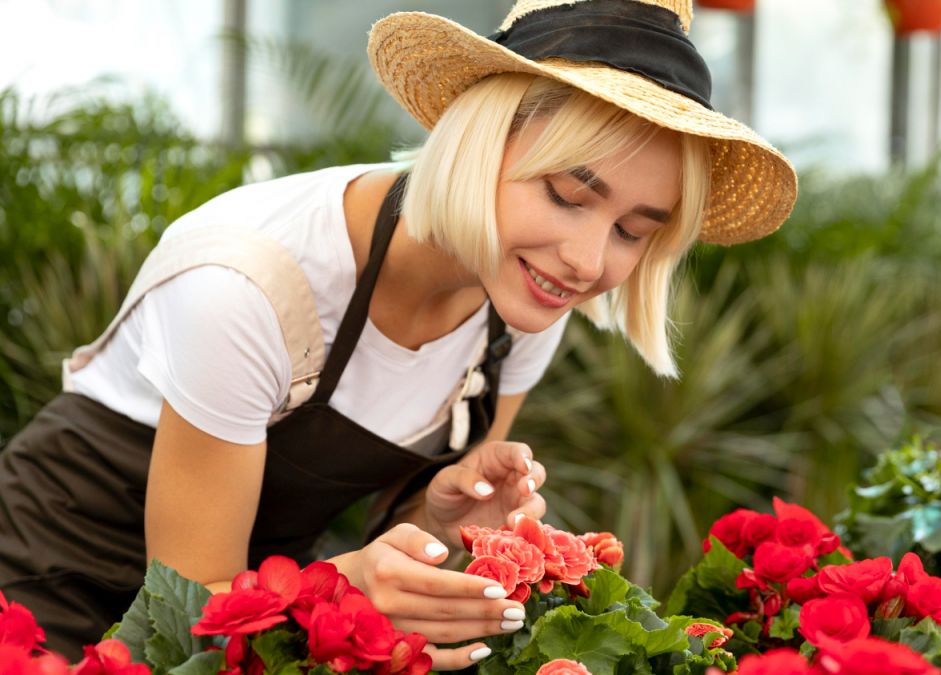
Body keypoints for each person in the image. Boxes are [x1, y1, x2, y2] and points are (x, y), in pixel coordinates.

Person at [0, 0, 796, 669]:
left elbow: (374, 547)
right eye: (565, 193)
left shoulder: (526, 305)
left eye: (633, 230)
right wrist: (340, 586)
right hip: (41, 588)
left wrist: (441, 515)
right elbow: (188, 616)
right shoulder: (246, 284)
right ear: (480, 141)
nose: (588, 261)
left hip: (241, 612)